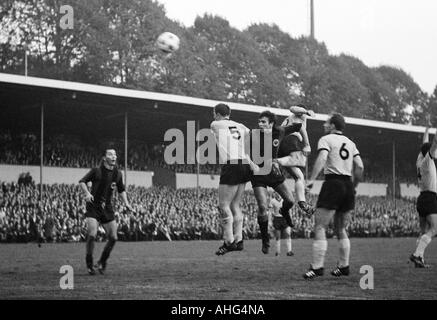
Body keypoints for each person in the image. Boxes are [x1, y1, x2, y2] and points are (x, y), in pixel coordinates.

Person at [303, 113, 364, 279]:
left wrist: (311, 180)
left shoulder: (326, 139)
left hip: (333, 183)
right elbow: (360, 167)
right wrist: (354, 186)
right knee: (341, 228)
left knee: (320, 226)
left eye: (326, 123)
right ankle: (344, 266)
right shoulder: (351, 143)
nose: (324, 125)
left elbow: (322, 157)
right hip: (348, 185)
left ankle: (317, 267)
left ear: (332, 125)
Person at [251, 110, 305, 254]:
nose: (260, 124)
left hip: (274, 173)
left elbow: (299, 126)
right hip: (258, 174)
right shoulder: (253, 135)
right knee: (262, 206)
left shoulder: (280, 131)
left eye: (263, 122)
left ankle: (284, 211)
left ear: (271, 123)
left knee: (290, 201)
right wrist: (252, 164)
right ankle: (265, 240)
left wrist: (306, 144)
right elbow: (245, 153)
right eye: (259, 121)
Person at [210, 103, 259, 255]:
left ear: (217, 113)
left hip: (231, 164)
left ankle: (229, 241)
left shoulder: (215, 124)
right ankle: (239, 240)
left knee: (223, 205)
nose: (213, 116)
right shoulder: (241, 126)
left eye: (214, 113)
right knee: (235, 205)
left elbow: (217, 134)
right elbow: (249, 134)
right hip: (244, 164)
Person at [79, 148, 133, 275]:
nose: (114, 156)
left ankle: (102, 261)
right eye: (110, 154)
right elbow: (82, 182)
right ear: (105, 157)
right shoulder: (96, 171)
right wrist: (87, 193)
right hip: (93, 206)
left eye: (115, 154)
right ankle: (89, 263)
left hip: (107, 208)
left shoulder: (118, 174)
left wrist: (126, 203)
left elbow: (121, 189)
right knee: (92, 235)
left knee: (113, 237)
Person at [278, 104, 315, 216]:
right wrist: (306, 112)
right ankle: (274, 162)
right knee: (301, 162)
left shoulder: (288, 120)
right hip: (290, 141)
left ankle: (302, 203)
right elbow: (293, 108)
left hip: (281, 146)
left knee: (299, 176)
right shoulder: (298, 116)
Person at [410, 119, 437, 268]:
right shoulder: (428, 161)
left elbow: (425, 145)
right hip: (430, 197)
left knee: (423, 231)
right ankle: (416, 255)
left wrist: (426, 131)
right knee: (435, 229)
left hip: (421, 198)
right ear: (430, 153)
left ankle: (419, 259)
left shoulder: (419, 160)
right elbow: (433, 144)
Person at [269, 192, 294, 257]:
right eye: (276, 192)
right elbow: (270, 212)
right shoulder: (272, 201)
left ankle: (289, 251)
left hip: (285, 218)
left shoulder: (285, 200)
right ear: (274, 193)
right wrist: (270, 221)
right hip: (277, 219)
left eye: (278, 192)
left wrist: (290, 219)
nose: (278, 193)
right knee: (278, 236)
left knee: (288, 234)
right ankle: (277, 252)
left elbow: (289, 210)